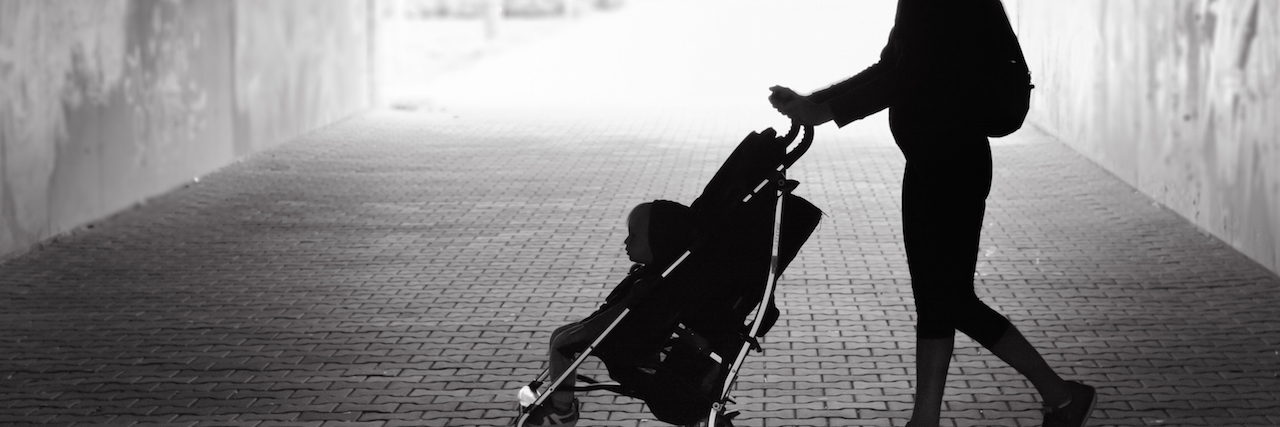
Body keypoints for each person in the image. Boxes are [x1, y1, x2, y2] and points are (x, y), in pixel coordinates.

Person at [767, 1, 1096, 426]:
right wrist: (816, 101)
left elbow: (908, 75)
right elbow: (890, 65)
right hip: (927, 161)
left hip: (954, 165)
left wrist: (824, 111)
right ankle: (926, 419)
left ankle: (1061, 395)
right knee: (934, 297)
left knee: (952, 298)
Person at [520, 200, 699, 427]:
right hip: (628, 335)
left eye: (633, 236)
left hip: (623, 339)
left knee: (563, 343)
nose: (626, 241)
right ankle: (560, 404)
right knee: (561, 335)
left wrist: (584, 329)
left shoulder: (650, 285)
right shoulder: (657, 278)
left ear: (658, 241)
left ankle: (561, 411)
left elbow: (615, 316)